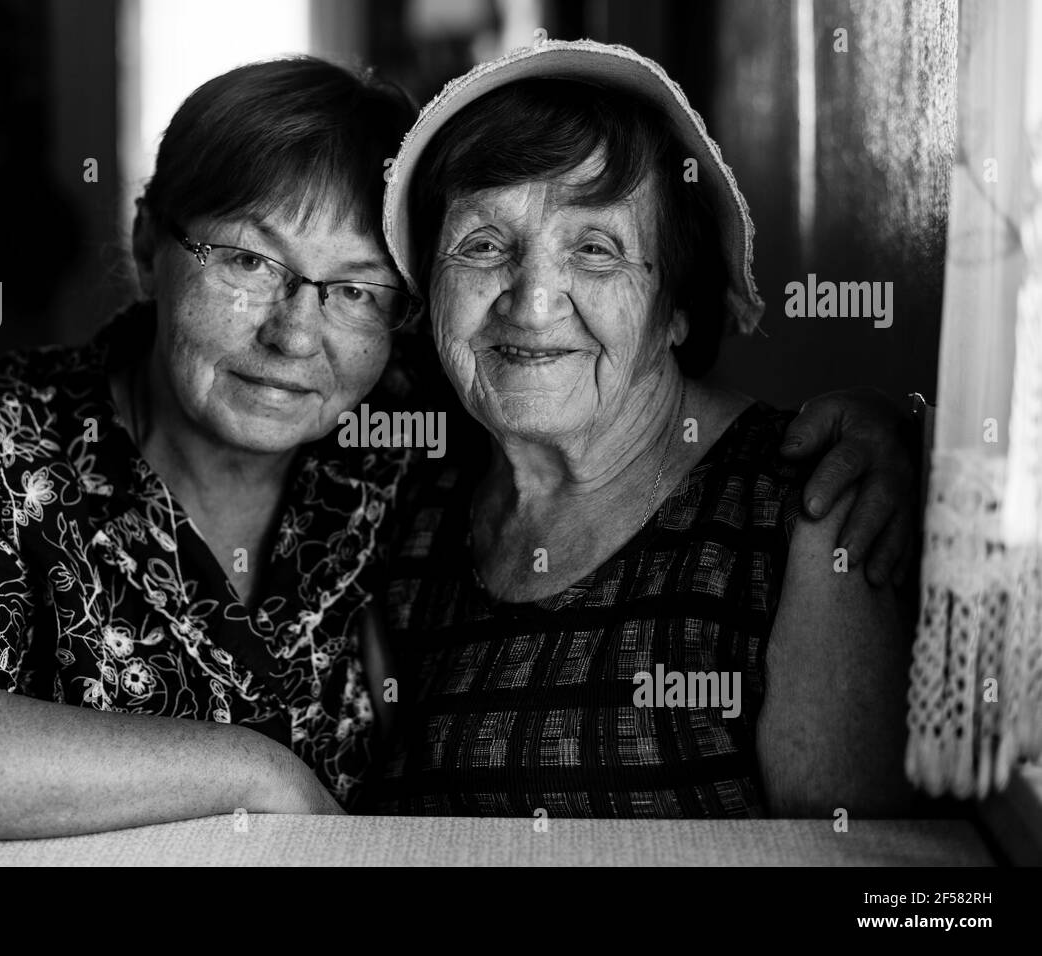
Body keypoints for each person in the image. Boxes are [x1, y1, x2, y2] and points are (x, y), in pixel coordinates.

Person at [0, 54, 912, 845]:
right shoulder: (5, 438)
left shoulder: (411, 433)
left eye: (351, 289)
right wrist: (262, 776)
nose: (295, 332)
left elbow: (857, 859)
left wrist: (891, 426)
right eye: (245, 261)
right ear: (147, 243)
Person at [375, 39, 914, 817]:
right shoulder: (414, 508)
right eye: (483, 245)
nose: (531, 303)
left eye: (595, 250)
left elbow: (870, 883)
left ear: (677, 308)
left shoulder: (813, 509)